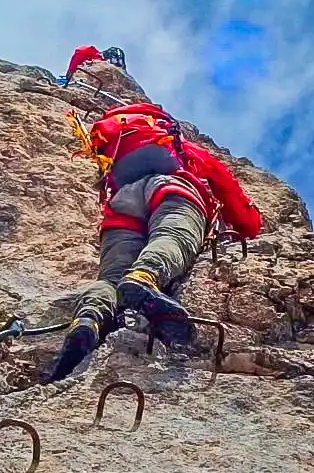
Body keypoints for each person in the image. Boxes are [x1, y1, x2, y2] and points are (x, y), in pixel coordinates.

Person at [45, 101, 264, 383]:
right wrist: (250, 228)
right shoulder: (180, 146)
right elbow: (234, 200)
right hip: (171, 189)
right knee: (171, 236)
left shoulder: (113, 145)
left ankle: (89, 318)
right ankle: (144, 277)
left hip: (122, 204)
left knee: (111, 277)